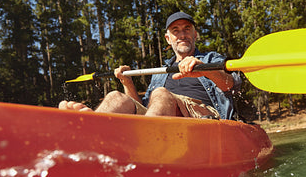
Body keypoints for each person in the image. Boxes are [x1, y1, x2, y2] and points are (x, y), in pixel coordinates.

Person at [59, 12, 241, 120]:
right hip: (161, 117)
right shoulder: (160, 73)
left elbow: (230, 85)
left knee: (160, 94)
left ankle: (143, 143)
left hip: (203, 115)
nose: (182, 35)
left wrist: (205, 69)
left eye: (187, 29)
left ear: (195, 35)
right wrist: (127, 83)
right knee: (116, 96)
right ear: (168, 39)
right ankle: (92, 130)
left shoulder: (211, 59)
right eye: (175, 31)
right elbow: (144, 109)